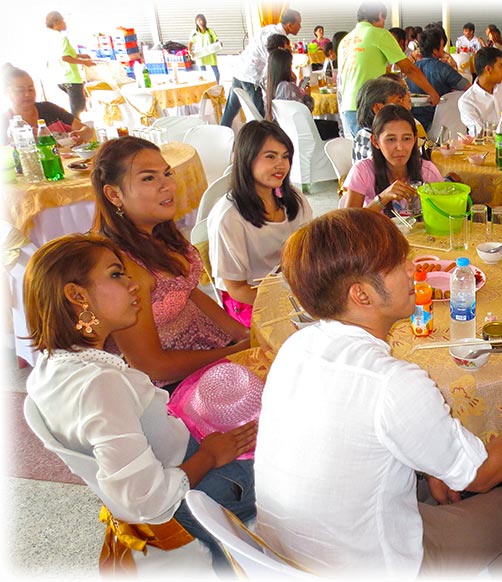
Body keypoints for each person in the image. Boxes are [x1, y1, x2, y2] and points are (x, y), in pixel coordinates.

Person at [253, 208, 502, 577]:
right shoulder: (392, 382)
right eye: (398, 265)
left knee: (435, 485)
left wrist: (435, 459)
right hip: (373, 565)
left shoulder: (295, 348)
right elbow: (481, 475)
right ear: (362, 296)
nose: (414, 270)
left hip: (285, 554)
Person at [23, 233, 258, 573]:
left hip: (187, 475)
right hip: (200, 496)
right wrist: (209, 455)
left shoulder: (49, 367)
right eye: (116, 274)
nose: (134, 285)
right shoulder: (99, 384)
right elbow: (146, 498)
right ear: (77, 295)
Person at [92, 137, 250, 390]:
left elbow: (187, 290)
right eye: (148, 178)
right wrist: (233, 353)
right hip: (168, 386)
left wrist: (240, 334)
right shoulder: (118, 267)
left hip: (208, 345)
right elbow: (151, 365)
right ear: (114, 194)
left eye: (167, 173)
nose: (167, 185)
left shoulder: (157, 232)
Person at [207, 121, 312, 326]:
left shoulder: (294, 199)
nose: (281, 165)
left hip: (292, 286)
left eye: (285, 156)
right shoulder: (228, 218)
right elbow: (236, 288)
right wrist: (289, 303)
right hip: (248, 298)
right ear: (246, 159)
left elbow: (307, 250)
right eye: (270, 156)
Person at [337, 1, 439, 138]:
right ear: (379, 15)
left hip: (347, 107)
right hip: (371, 105)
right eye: (384, 18)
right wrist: (432, 93)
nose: (384, 23)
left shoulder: (346, 40)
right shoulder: (379, 34)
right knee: (381, 152)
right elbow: (408, 69)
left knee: (365, 151)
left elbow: (366, 69)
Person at [340, 104, 441, 213]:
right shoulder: (363, 171)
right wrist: (383, 198)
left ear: (415, 139)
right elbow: (348, 221)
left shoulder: (427, 171)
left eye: (406, 138)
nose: (400, 147)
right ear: (375, 141)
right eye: (391, 139)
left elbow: (443, 214)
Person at [220, 9, 302, 127]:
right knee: (260, 115)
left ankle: (221, 133)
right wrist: (290, 75)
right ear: (290, 25)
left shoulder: (270, 28)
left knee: (231, 109)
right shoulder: (276, 37)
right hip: (251, 76)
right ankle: (263, 140)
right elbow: (275, 63)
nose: (300, 27)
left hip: (240, 69)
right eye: (298, 24)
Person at [1, 66, 93, 145]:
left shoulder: (49, 109)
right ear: (6, 93)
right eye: (20, 90)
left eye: (30, 89)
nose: (27, 94)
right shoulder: (4, 123)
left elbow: (87, 130)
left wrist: (81, 134)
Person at [265, 48, 340, 140]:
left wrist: (299, 89)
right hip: (305, 132)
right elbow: (306, 111)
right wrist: (307, 95)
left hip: (287, 132)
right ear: (285, 67)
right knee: (338, 126)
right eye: (290, 66)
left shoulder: (271, 87)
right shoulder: (287, 87)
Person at [409, 27, 470, 131]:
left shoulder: (411, 70)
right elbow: (469, 89)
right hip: (439, 124)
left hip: (414, 122)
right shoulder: (444, 69)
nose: (443, 49)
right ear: (435, 50)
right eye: (442, 46)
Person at [458, 47, 502, 137]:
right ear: (488, 69)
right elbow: (478, 132)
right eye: (500, 65)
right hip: (486, 146)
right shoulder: (467, 101)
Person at [44, 11, 95, 119]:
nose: (65, 24)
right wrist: (85, 62)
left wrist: (80, 56)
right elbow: (65, 57)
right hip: (70, 78)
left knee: (76, 106)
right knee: (78, 108)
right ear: (56, 22)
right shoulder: (61, 38)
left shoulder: (49, 38)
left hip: (60, 78)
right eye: (63, 21)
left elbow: (65, 54)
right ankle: (78, 130)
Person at [352, 76, 411, 163]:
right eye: (398, 102)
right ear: (378, 108)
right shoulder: (381, 146)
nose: (404, 108)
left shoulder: (362, 133)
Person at [188, 14, 221, 83]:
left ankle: (217, 85)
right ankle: (205, 88)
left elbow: (216, 39)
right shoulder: (194, 33)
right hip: (200, 55)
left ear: (204, 21)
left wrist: (218, 44)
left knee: (217, 74)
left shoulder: (210, 31)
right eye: (198, 21)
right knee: (204, 75)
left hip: (210, 54)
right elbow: (190, 42)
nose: (199, 22)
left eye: (201, 20)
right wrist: (189, 50)